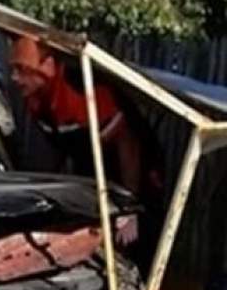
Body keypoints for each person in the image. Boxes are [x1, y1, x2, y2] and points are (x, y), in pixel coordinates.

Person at [9, 36, 156, 197]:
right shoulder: (35, 99)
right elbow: (58, 147)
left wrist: (130, 200)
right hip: (90, 171)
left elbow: (127, 143)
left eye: (21, 69)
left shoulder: (82, 89)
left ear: (48, 66)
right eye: (13, 70)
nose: (14, 78)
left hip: (134, 174)